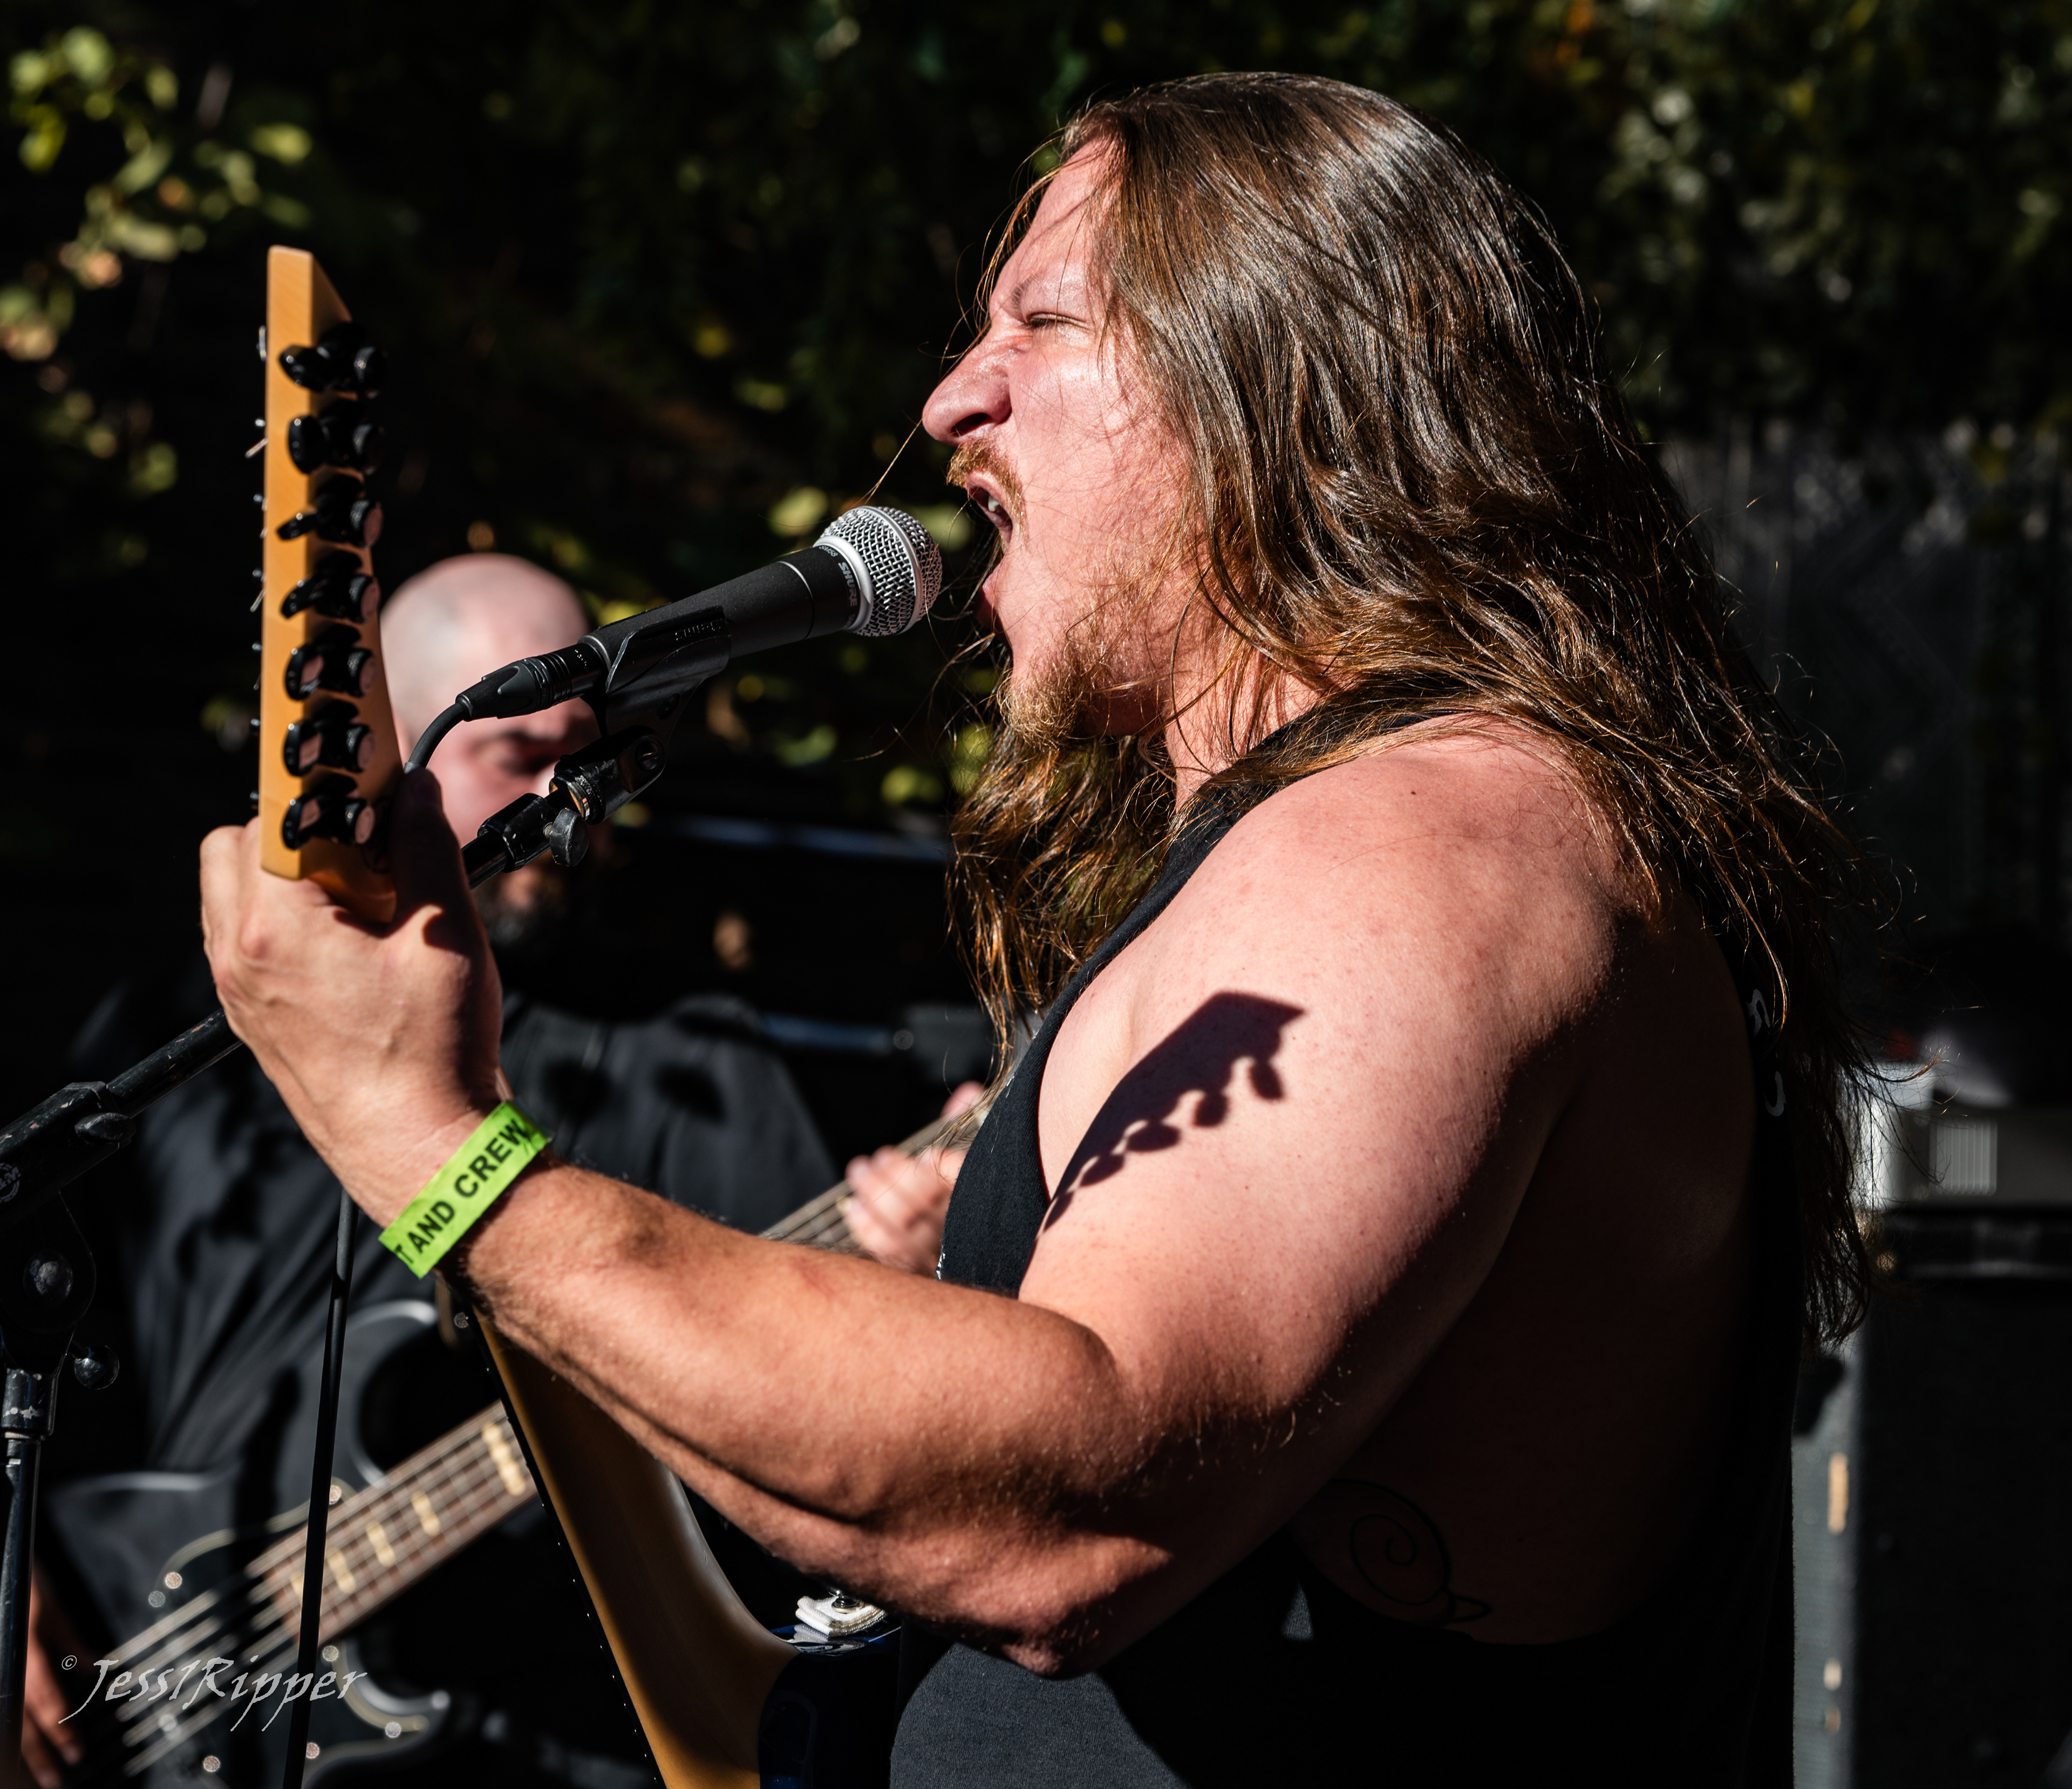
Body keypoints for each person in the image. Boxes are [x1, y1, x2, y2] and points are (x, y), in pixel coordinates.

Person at [197, 74, 1872, 1785]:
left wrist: (441, 1154)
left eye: (1043, 321)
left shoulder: (1415, 843)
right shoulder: (1389, 828)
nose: (950, 399)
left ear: (1283, 383)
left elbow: (1068, 1515)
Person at [24, 553, 947, 1787]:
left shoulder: (692, 1057)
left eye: (586, 757)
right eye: (520, 757)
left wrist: (902, 1286)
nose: (570, 799)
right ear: (396, 752)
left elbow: (810, 1429)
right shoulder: (211, 1021)